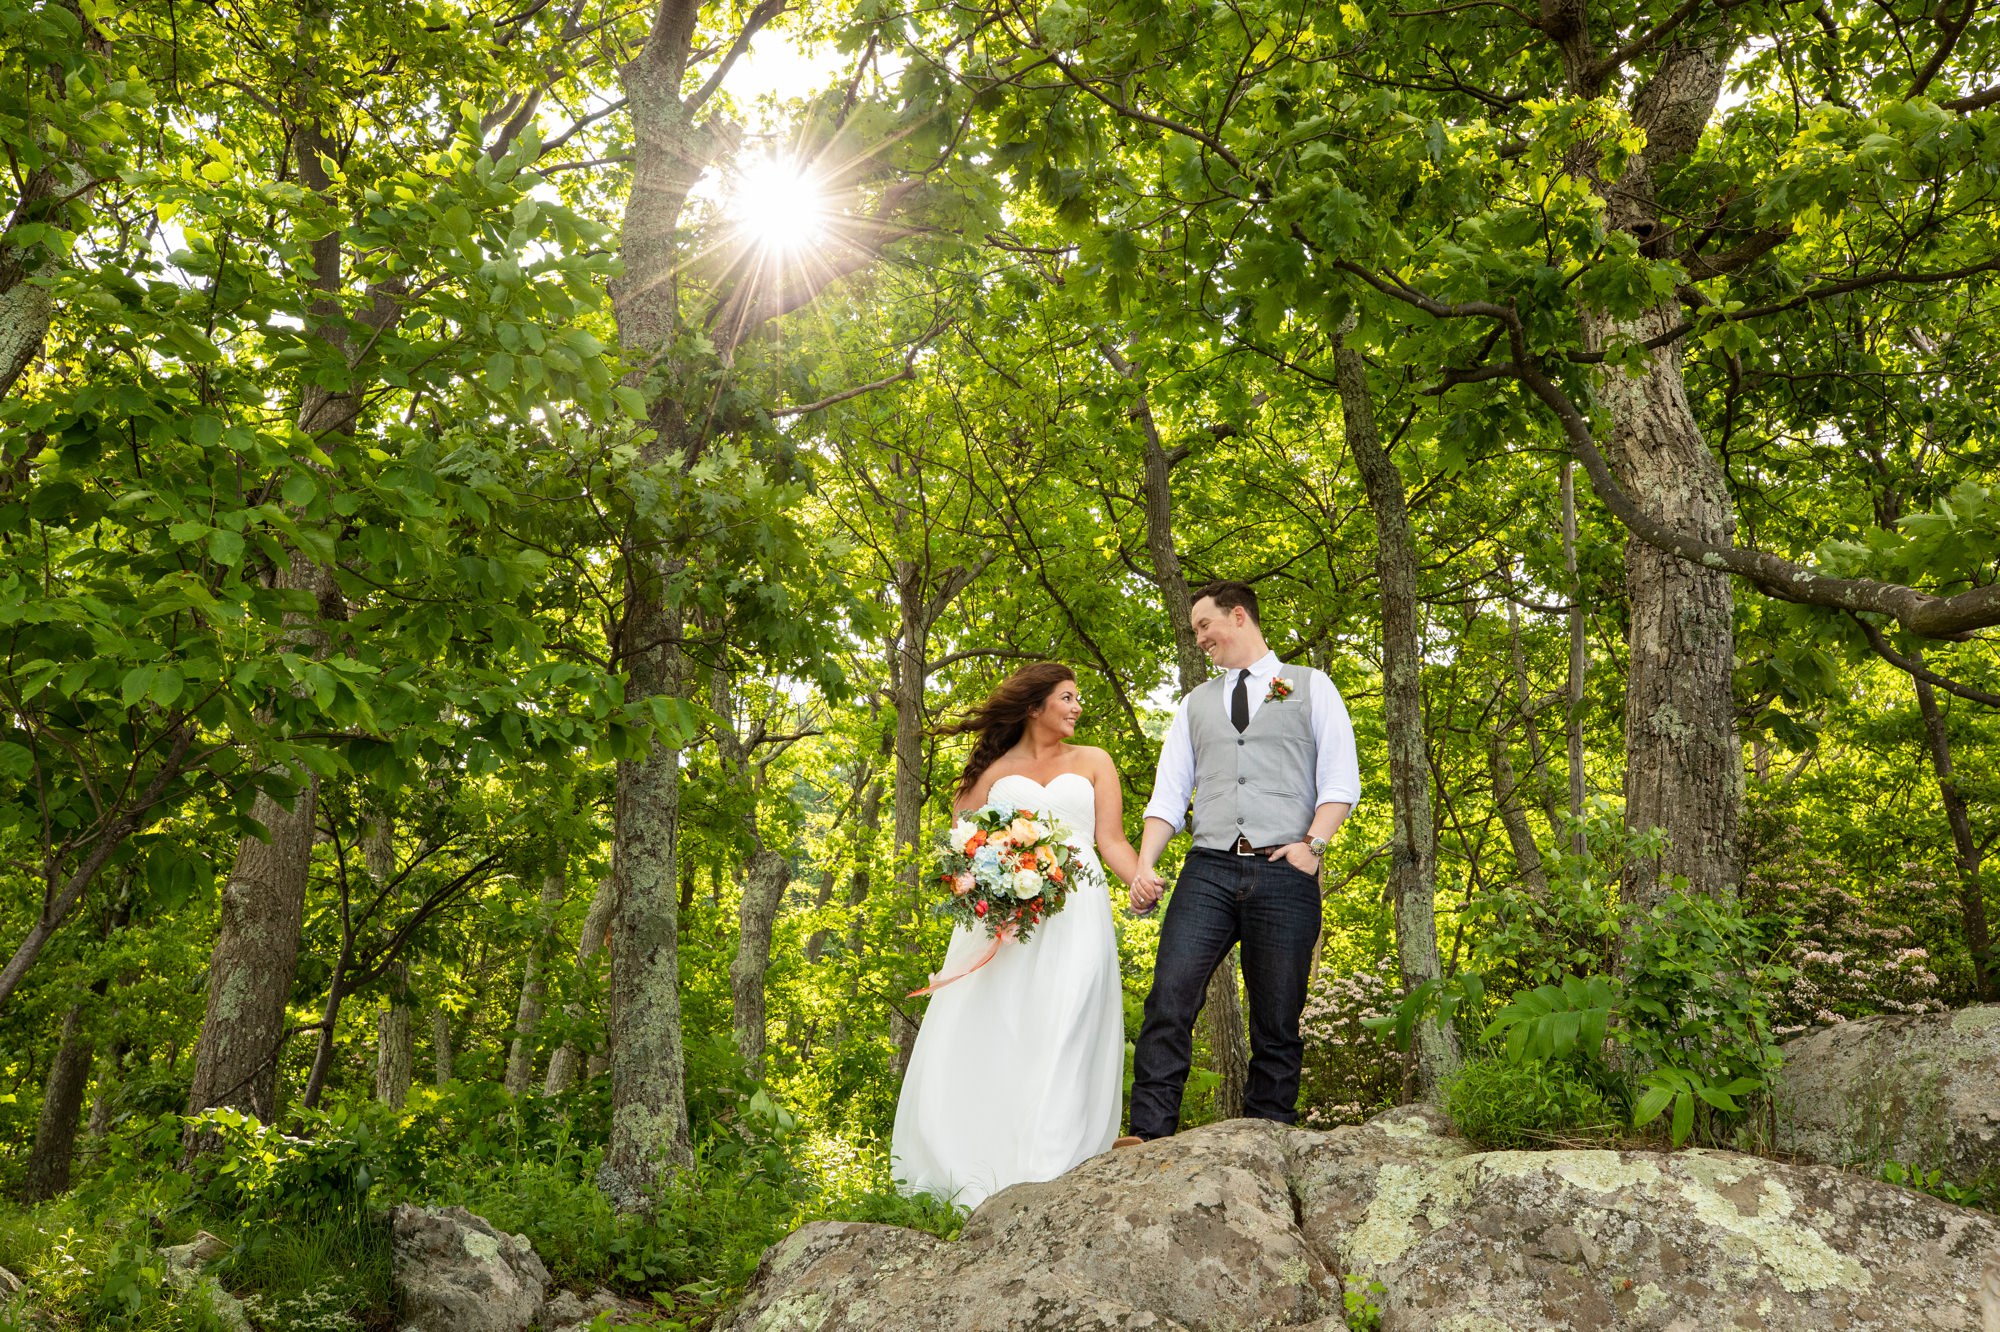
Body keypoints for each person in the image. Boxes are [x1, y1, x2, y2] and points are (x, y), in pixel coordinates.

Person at [892, 662, 1162, 1207]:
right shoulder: (995, 770)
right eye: (1067, 697)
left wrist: (1141, 879)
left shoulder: (1094, 762)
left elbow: (1109, 840)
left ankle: (1055, 1163)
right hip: (1007, 919)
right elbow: (960, 847)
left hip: (1078, 908)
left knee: (1069, 1017)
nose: (1077, 707)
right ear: (1035, 706)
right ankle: (978, 1161)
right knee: (1002, 1024)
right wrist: (993, 877)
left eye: (1078, 698)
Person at [1123, 580, 1360, 1142]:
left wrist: (1314, 846)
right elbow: (1168, 795)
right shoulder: (1194, 705)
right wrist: (1144, 865)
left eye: (1204, 625)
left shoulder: (1310, 686)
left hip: (1284, 868)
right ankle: (1148, 1135)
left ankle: (1268, 1137)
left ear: (1237, 617)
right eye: (1195, 630)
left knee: (1277, 1018)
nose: (1199, 637)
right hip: (1208, 867)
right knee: (1170, 998)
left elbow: (1340, 780)